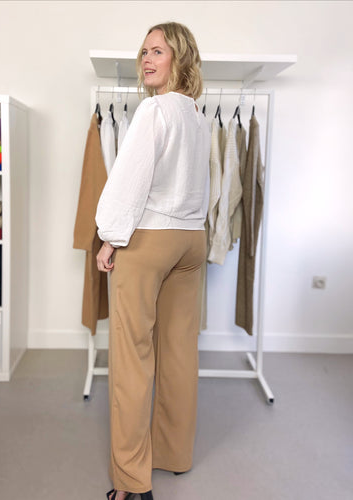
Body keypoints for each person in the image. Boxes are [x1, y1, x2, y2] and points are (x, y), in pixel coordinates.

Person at [96, 22, 210, 500]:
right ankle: (174, 454)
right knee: (179, 352)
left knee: (132, 359)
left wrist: (110, 237)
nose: (146, 59)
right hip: (191, 240)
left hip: (150, 240)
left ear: (179, 57)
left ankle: (131, 483)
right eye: (143, 51)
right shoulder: (198, 116)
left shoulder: (155, 109)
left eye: (157, 51)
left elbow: (130, 179)